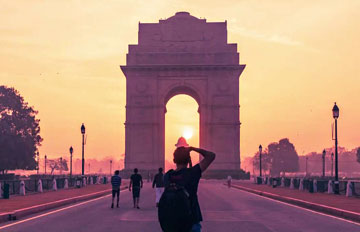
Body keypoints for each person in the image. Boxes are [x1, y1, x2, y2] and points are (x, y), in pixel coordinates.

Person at [159, 146, 216, 232]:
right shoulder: (193, 173)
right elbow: (211, 156)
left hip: (171, 223)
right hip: (191, 222)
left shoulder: (167, 176)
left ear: (174, 160)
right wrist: (193, 149)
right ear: (188, 160)